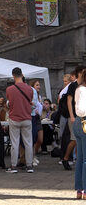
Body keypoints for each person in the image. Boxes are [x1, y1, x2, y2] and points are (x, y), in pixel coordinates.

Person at [5, 67, 34, 173]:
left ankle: (13, 166)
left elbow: (10, 103)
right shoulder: (30, 89)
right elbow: (30, 101)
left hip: (14, 118)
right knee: (28, 142)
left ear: (13, 76)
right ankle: (29, 165)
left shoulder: (9, 89)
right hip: (26, 117)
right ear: (22, 75)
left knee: (15, 143)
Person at [62, 66, 86, 170]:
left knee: (78, 140)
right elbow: (69, 101)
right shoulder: (73, 86)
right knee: (74, 139)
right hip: (74, 116)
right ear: (79, 73)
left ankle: (76, 159)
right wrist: (71, 116)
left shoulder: (81, 85)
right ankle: (66, 158)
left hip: (80, 116)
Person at [73, 69, 86, 200]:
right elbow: (82, 110)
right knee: (84, 159)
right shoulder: (82, 90)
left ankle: (79, 190)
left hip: (79, 122)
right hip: (83, 121)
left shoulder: (79, 88)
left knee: (81, 159)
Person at [29, 79, 43, 166]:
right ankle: (32, 156)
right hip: (33, 116)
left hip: (38, 118)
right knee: (33, 137)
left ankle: (34, 154)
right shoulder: (32, 95)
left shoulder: (39, 96)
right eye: (37, 85)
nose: (39, 86)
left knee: (40, 139)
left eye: (39, 85)